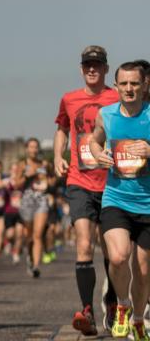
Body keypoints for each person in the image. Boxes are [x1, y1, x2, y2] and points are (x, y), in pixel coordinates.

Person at [53, 45, 120, 334]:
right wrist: (58, 155)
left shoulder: (117, 97)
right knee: (83, 245)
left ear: (106, 69)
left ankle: (114, 301)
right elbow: (62, 128)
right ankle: (88, 311)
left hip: (113, 183)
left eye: (97, 64)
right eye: (87, 65)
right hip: (79, 181)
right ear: (81, 69)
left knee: (112, 251)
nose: (92, 69)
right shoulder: (69, 98)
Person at [89, 61, 150, 340]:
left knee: (143, 269)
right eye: (123, 83)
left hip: (148, 204)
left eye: (134, 83)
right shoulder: (106, 114)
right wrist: (97, 152)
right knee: (117, 256)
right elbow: (94, 139)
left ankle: (138, 319)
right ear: (116, 86)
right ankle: (122, 306)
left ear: (144, 85)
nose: (129, 88)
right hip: (116, 198)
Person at [15, 138, 48, 278]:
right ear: (27, 149)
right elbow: (17, 184)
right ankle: (29, 256)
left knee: (38, 234)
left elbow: (52, 179)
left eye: (36, 147)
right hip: (27, 200)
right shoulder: (22, 165)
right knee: (29, 237)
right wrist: (27, 176)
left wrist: (49, 180)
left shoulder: (44, 164)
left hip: (41, 199)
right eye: (31, 147)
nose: (34, 149)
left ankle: (36, 266)